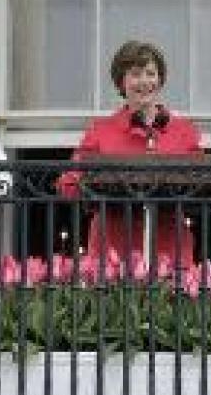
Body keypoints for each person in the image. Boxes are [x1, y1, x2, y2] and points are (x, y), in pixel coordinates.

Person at [56, 40, 203, 268]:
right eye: (135, 74)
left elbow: (202, 184)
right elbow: (69, 184)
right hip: (113, 251)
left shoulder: (184, 131)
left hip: (169, 249)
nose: (144, 81)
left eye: (151, 73)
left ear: (160, 80)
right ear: (121, 82)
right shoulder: (100, 131)